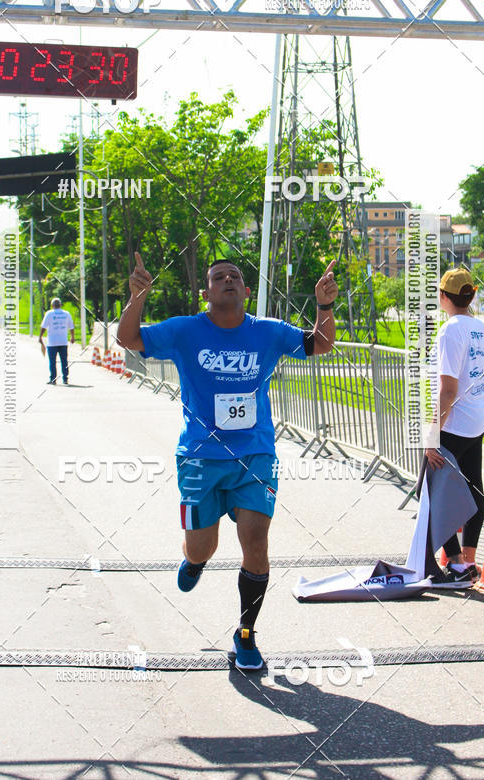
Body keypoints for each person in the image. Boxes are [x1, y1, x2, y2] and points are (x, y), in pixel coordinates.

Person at [118, 253, 338, 670]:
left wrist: (323, 306)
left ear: (247, 290)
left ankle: (246, 635)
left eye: (235, 276)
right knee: (205, 546)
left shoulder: (267, 332)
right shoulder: (185, 330)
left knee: (256, 540)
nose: (228, 280)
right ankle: (194, 560)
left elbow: (321, 344)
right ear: (207, 293)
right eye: (218, 277)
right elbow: (129, 340)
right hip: (200, 455)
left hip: (255, 454)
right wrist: (138, 298)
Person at [425, 267, 484, 587]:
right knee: (473, 485)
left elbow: (447, 390)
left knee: (434, 492)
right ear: (471, 296)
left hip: (457, 421)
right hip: (479, 416)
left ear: (444, 297)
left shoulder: (450, 331)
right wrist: (479, 381)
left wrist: (432, 434)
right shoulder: (479, 326)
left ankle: (457, 566)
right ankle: (469, 561)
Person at [39, 297, 75, 385]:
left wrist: (40, 336)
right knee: (64, 361)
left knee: (52, 361)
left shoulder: (49, 314)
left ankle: (53, 379)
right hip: (63, 341)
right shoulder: (66, 314)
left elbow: (43, 327)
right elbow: (71, 327)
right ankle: (65, 379)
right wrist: (72, 337)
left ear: (52, 305)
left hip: (52, 342)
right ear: (60, 305)